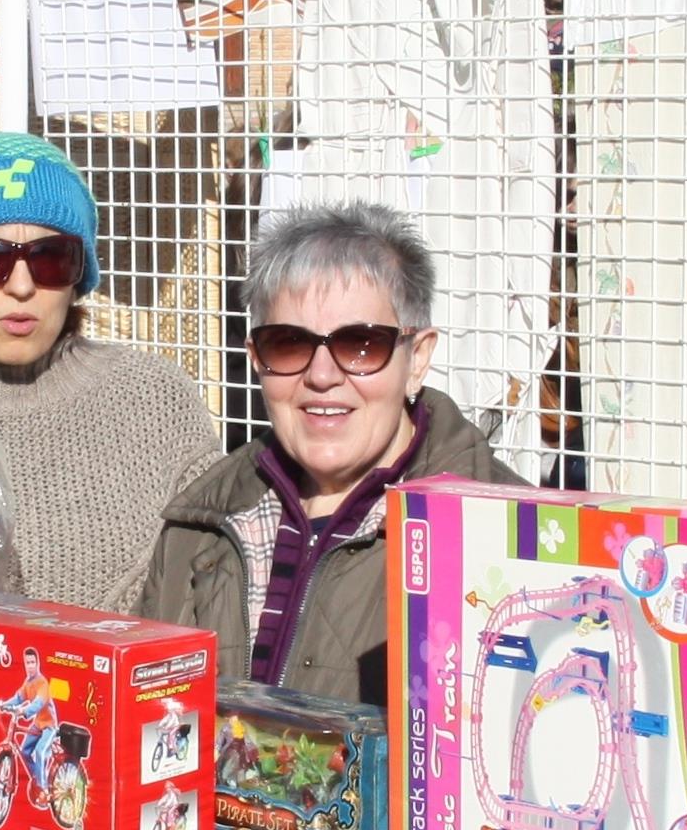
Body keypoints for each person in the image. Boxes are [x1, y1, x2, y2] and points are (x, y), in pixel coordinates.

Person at [143, 200, 518, 710]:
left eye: (361, 344)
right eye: (288, 344)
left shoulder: (503, 534)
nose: (321, 375)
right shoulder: (200, 521)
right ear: (256, 359)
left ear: (418, 359)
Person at [0, 129, 215, 614]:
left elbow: (215, 583)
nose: (20, 285)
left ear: (79, 278)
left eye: (50, 259)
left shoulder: (154, 400)